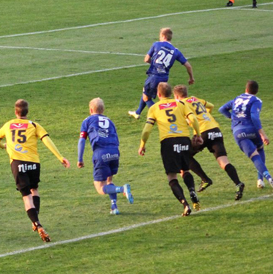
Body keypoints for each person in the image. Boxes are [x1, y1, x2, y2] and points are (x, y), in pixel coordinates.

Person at [0, 99, 70, 242]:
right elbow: (46, 140)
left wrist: (4, 146)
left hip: (17, 164)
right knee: (34, 190)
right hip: (34, 163)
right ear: (27, 112)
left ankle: (37, 223)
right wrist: (60, 157)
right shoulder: (34, 125)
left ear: (15, 112)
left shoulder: (8, 125)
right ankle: (35, 220)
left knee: (26, 196)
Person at [139, 82, 203, 216]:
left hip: (168, 142)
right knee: (185, 170)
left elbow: (146, 130)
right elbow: (194, 119)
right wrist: (197, 134)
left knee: (171, 176)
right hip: (184, 139)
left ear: (158, 94)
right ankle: (192, 190)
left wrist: (142, 145)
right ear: (170, 94)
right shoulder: (181, 104)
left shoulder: (155, 108)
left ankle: (185, 204)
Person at [173, 85, 245, 200]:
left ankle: (205, 179)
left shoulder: (181, 104)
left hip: (203, 132)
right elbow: (211, 106)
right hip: (215, 130)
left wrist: (195, 131)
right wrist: (205, 116)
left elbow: (191, 119)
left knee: (184, 155)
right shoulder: (195, 99)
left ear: (176, 96)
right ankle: (238, 183)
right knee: (223, 161)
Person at [77, 98, 133, 215]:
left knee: (100, 188)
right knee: (109, 180)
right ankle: (114, 207)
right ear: (103, 110)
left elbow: (82, 141)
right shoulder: (110, 121)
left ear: (91, 110)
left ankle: (122, 189)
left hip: (101, 153)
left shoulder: (87, 120)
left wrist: (80, 159)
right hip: (114, 152)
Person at [128, 28, 194, 120]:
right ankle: (137, 112)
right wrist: (191, 78)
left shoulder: (156, 44)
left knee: (147, 98)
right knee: (148, 93)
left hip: (154, 76)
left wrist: (155, 64)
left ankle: (163, 116)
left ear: (163, 36)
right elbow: (188, 66)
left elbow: (146, 59)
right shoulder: (176, 51)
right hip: (164, 78)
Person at [219, 80, 272, 189]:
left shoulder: (237, 99)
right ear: (256, 91)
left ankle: (268, 179)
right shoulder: (256, 100)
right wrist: (262, 133)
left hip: (238, 132)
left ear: (246, 89)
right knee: (260, 149)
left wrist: (232, 117)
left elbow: (222, 109)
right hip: (252, 129)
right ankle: (261, 179)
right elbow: (254, 116)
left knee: (254, 156)